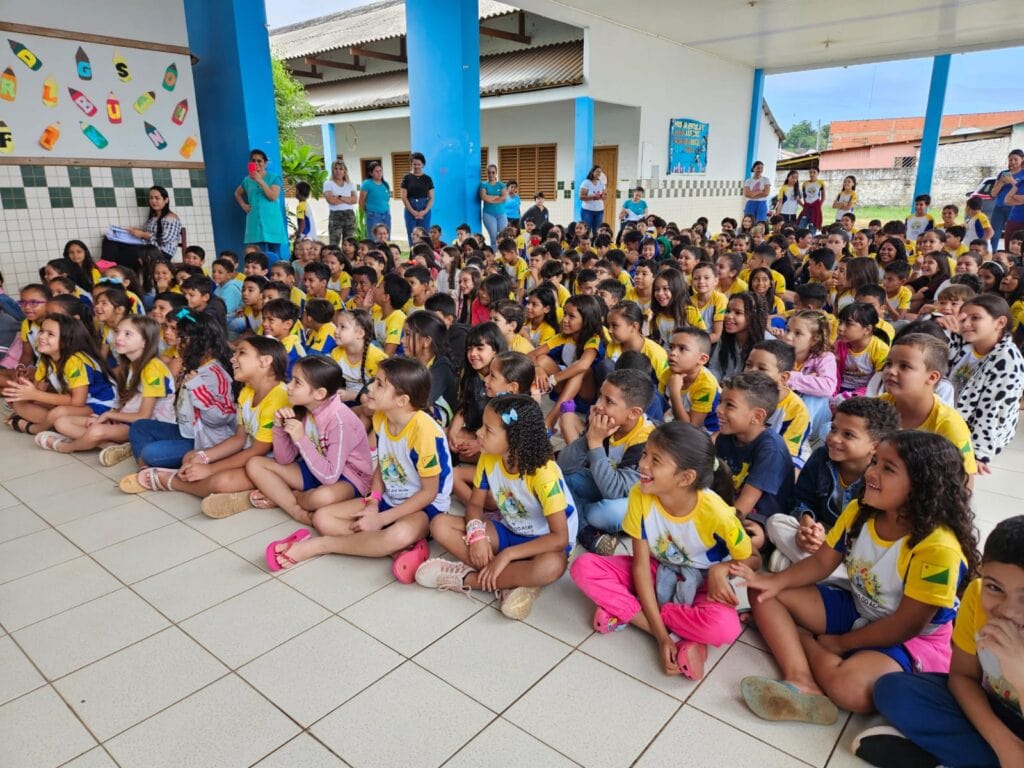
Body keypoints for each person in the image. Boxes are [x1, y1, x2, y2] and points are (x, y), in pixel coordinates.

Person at [735, 431, 979, 724]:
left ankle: (801, 638)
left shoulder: (938, 548)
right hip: (860, 606)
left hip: (913, 637)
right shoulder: (859, 511)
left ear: (923, 486)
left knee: (850, 692)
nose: (871, 472)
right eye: (875, 462)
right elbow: (822, 563)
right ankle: (800, 680)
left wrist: (840, 643)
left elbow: (906, 625)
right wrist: (773, 581)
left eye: (887, 468)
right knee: (764, 592)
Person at [571, 421, 758, 680]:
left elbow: (753, 558)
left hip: (702, 585)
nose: (642, 465)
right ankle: (678, 636)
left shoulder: (717, 513)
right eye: (645, 454)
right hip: (656, 568)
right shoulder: (640, 495)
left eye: (655, 460)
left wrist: (720, 569)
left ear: (686, 477)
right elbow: (639, 565)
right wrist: (661, 638)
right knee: (584, 567)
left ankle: (630, 610)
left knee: (724, 628)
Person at [857, 515, 1024, 768]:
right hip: (997, 717)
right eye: (995, 588)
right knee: (894, 691)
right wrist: (1006, 746)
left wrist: (1019, 673)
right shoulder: (976, 597)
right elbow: (962, 677)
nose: (1007, 611)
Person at [264, 357, 450, 580]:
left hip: (425, 507)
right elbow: (384, 465)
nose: (369, 387)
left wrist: (380, 519)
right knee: (322, 518)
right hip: (390, 498)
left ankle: (321, 545)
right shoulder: (382, 417)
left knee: (398, 533)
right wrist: (373, 503)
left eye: (380, 384)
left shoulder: (424, 432)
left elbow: (429, 493)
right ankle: (393, 549)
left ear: (402, 400)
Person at [416, 395, 576, 621]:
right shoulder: (489, 458)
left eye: (488, 430)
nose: (479, 433)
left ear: (515, 439)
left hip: (543, 542)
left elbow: (560, 538)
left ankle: (467, 579)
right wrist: (476, 534)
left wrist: (507, 555)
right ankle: (511, 581)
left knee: (552, 567)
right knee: (440, 525)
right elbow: (474, 505)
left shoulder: (544, 475)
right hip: (509, 530)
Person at [767, 396, 899, 573]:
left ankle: (808, 566)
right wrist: (807, 524)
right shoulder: (821, 457)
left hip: (854, 545)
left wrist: (832, 542)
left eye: (848, 435)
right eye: (833, 428)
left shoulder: (881, 479)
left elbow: (873, 532)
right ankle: (818, 569)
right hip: (822, 529)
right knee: (776, 522)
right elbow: (803, 498)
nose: (834, 438)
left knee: (876, 564)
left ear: (874, 447)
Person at [243, 356, 371, 534]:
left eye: (297, 382)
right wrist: (279, 428)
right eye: (291, 380)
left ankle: (288, 497)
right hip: (314, 468)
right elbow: (284, 459)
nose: (289, 386)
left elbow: (330, 476)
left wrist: (301, 439)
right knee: (255, 464)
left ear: (319, 393)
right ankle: (297, 511)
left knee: (321, 497)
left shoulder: (340, 421)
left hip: (348, 478)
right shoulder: (303, 409)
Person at [119, 311, 235, 487]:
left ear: (199, 340)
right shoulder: (193, 365)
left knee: (151, 452)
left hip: (205, 441)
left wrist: (197, 387)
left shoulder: (216, 374)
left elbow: (220, 418)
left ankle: (152, 466)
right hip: (185, 431)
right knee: (139, 427)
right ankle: (147, 469)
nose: (178, 341)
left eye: (182, 337)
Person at [34, 316, 173, 462]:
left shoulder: (153, 369)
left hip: (149, 427)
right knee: (62, 422)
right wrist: (109, 416)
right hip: (127, 420)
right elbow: (131, 404)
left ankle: (67, 447)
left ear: (145, 341)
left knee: (95, 430)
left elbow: (143, 417)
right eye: (118, 332)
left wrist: (108, 416)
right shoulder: (131, 364)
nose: (118, 337)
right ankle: (112, 445)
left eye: (127, 334)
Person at [559, 369, 655, 555]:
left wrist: (595, 443)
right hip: (605, 483)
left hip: (636, 499)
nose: (598, 406)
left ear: (633, 413)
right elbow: (564, 466)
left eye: (608, 401)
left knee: (606, 513)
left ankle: (571, 512)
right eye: (599, 396)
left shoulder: (647, 441)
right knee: (560, 477)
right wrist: (589, 437)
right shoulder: (603, 420)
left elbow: (614, 492)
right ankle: (584, 527)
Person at [715, 371, 795, 553]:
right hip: (731, 504)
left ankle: (776, 551)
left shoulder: (771, 449)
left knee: (753, 536)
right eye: (721, 402)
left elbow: (744, 506)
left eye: (730, 405)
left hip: (761, 516)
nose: (719, 409)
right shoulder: (725, 437)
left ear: (757, 416)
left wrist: (717, 524)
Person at [945, 294, 1024, 471]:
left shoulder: (1007, 361)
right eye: (963, 318)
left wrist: (979, 453)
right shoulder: (963, 342)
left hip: (979, 429)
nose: (966, 324)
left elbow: (992, 412)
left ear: (1000, 323)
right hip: (953, 413)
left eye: (976, 318)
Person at [4, 314, 115, 435]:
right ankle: (59, 425)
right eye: (42, 331)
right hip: (76, 404)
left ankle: (35, 428)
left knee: (58, 413)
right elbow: (38, 390)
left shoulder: (75, 360)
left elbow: (78, 401)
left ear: (66, 340)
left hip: (100, 404)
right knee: (19, 404)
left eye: (50, 334)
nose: (41, 336)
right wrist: (25, 395)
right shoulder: (45, 357)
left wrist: (35, 395)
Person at [101, 185, 182, 270]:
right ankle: (107, 269)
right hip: (146, 248)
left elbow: (163, 240)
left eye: (157, 198)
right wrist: (134, 232)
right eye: (151, 198)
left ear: (166, 200)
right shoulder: (154, 217)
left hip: (160, 253)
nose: (153, 201)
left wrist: (143, 234)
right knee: (110, 239)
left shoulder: (171, 218)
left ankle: (108, 271)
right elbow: (147, 234)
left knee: (119, 255)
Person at [234, 149, 286, 261]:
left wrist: (260, 180)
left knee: (275, 256)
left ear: (265, 163)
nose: (256, 163)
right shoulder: (247, 180)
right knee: (256, 256)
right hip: (254, 223)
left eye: (259, 161)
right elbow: (237, 193)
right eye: (253, 161)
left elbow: (272, 196)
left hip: (272, 222)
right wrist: (244, 205)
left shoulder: (274, 178)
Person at [988, 148, 1023, 251]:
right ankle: (993, 255)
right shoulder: (1003, 173)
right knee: (994, 233)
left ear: (1022, 159)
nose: (1012, 162)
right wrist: (1001, 182)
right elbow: (993, 193)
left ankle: (1013, 257)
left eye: (1015, 159)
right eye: (1010, 160)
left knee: (1014, 236)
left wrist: (1012, 181)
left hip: (1015, 209)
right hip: (999, 207)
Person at [401, 152, 435, 245]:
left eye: (418, 164)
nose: (416, 166)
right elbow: (404, 197)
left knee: (424, 234)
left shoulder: (428, 179)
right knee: (411, 233)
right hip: (410, 207)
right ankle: (413, 255)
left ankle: (424, 255)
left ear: (423, 164)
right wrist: (412, 211)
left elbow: (431, 198)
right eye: (414, 164)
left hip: (424, 208)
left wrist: (425, 211)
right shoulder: (406, 178)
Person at [323, 160, 358, 245]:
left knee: (349, 242)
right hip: (335, 215)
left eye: (341, 169)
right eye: (336, 168)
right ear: (332, 170)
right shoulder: (328, 183)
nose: (338, 171)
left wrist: (339, 196)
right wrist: (347, 199)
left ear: (344, 171)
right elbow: (331, 200)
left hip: (349, 215)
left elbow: (354, 200)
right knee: (334, 241)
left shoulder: (350, 184)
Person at [359, 161, 392, 236]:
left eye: (380, 170)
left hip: (386, 215)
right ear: (371, 173)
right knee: (373, 239)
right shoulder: (367, 183)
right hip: (373, 215)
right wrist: (368, 212)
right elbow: (361, 201)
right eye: (376, 171)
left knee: (386, 238)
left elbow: (386, 199)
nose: (379, 173)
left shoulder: (385, 184)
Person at [479, 164, 507, 247]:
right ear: (486, 173)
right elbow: (483, 197)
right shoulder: (483, 185)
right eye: (489, 172)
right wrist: (498, 197)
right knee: (494, 237)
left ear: (496, 173)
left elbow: (504, 198)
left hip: (501, 214)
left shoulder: (501, 185)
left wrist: (490, 199)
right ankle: (494, 256)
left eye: (493, 172)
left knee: (503, 236)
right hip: (489, 214)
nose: (491, 174)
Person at [579, 165, 606, 234]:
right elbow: (581, 197)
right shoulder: (586, 182)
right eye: (597, 171)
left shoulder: (601, 183)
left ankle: (595, 244)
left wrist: (602, 196)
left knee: (597, 232)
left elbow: (605, 195)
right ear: (592, 172)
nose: (598, 173)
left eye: (600, 172)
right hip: (587, 211)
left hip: (599, 211)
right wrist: (593, 197)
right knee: (586, 231)